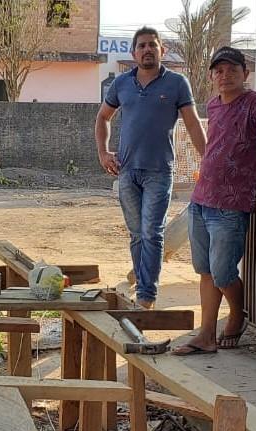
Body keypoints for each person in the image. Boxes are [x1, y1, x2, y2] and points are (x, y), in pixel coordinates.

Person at [171, 46, 256, 355]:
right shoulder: (214, 105)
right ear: (211, 76)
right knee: (205, 271)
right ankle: (206, 334)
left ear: (245, 73)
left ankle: (237, 313)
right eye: (219, 71)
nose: (225, 75)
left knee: (223, 272)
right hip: (201, 199)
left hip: (231, 205)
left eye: (232, 69)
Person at [95, 26, 206, 309]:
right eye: (142, 46)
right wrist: (103, 153)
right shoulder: (122, 84)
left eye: (152, 45)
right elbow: (103, 117)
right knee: (136, 233)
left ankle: (146, 296)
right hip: (127, 171)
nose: (147, 50)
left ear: (162, 51)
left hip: (159, 171)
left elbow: (193, 123)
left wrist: (208, 158)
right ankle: (142, 282)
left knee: (152, 232)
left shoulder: (177, 83)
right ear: (134, 53)